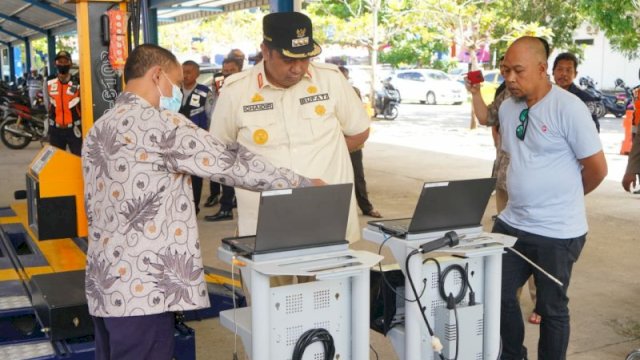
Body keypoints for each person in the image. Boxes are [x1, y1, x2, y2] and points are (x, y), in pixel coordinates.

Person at [81, 44, 321, 360]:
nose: (177, 92)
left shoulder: (99, 128)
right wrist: (300, 183)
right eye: (176, 83)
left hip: (105, 282)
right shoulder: (161, 124)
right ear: (157, 76)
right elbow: (229, 163)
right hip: (145, 289)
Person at [476, 36, 607, 360]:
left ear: (541, 68)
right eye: (506, 70)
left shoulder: (569, 108)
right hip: (512, 223)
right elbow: (517, 155)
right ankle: (512, 355)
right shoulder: (508, 107)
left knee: (551, 307)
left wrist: (562, 198)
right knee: (496, 293)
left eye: (518, 71)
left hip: (557, 232)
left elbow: (597, 169)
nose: (510, 78)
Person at [210, 12, 370, 247]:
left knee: (327, 283)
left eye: (305, 59)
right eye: (288, 60)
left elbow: (359, 130)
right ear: (265, 51)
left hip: (326, 214)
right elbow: (219, 150)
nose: (298, 68)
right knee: (271, 284)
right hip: (265, 219)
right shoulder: (236, 91)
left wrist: (328, 154)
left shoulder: (331, 80)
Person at [338, 65, 381, 218]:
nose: (342, 80)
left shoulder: (354, 91)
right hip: (333, 142)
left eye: (345, 77)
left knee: (358, 176)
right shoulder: (325, 92)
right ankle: (336, 209)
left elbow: (359, 115)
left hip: (353, 142)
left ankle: (366, 207)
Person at [203, 56, 244, 219]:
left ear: (240, 70)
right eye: (225, 71)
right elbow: (209, 108)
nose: (227, 74)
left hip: (236, 137)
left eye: (231, 71)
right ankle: (227, 203)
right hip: (219, 136)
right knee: (223, 173)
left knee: (231, 173)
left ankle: (226, 208)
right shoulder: (218, 88)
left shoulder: (243, 88)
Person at [179, 60, 214, 215]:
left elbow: (210, 116)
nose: (185, 75)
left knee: (196, 177)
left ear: (197, 74)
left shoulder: (205, 92)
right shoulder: (173, 91)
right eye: (183, 72)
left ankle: (194, 206)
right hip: (177, 141)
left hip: (197, 141)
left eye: (189, 72)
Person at [552, 52, 603, 132]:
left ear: (575, 74)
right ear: (553, 72)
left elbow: (594, 129)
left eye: (568, 70)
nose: (564, 74)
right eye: (560, 69)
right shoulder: (544, 96)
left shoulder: (586, 99)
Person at [45, 50, 81, 155]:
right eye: (60, 62)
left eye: (65, 61)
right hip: (55, 130)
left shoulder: (78, 82)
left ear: (70, 63)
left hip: (74, 129)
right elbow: (46, 103)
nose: (63, 64)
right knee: (56, 160)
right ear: (55, 64)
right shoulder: (49, 81)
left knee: (78, 159)